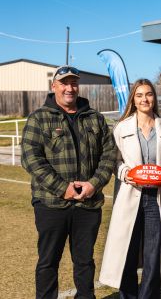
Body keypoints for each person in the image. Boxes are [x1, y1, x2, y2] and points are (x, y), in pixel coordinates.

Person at [21, 65, 116, 298]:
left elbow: (109, 155)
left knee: (84, 262)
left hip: (88, 204)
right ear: (54, 87)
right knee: (48, 261)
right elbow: (31, 159)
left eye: (73, 83)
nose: (69, 88)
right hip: (51, 204)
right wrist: (62, 188)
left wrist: (94, 184)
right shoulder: (39, 118)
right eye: (64, 83)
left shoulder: (95, 118)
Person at [99, 79, 161, 298]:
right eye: (140, 95)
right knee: (127, 252)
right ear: (133, 98)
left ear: (154, 98)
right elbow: (114, 160)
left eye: (149, 94)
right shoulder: (121, 128)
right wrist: (126, 174)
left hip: (155, 199)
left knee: (153, 254)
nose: (145, 99)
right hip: (130, 196)